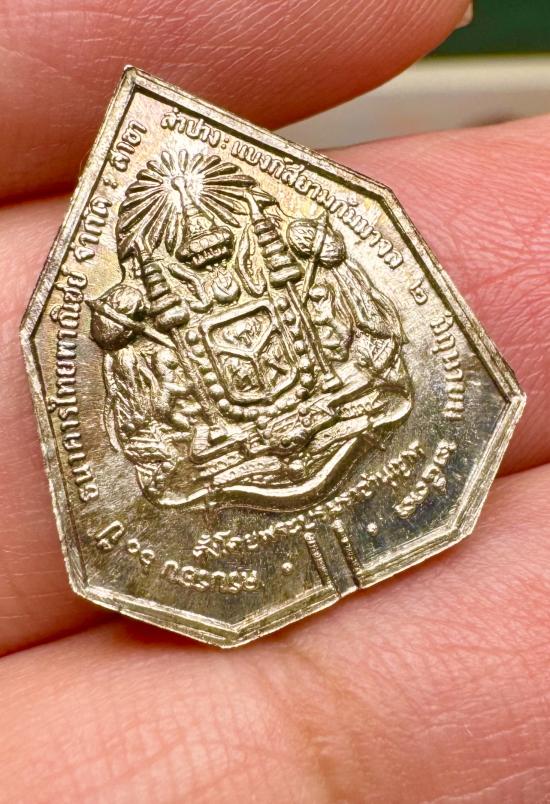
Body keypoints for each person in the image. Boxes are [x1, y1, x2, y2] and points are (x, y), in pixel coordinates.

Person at [1, 1, 549, 800]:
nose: (204, 254)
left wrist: (322, 264)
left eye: (214, 240)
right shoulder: (144, 333)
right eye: (185, 250)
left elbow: (369, 338)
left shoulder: (293, 269)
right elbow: (158, 451)